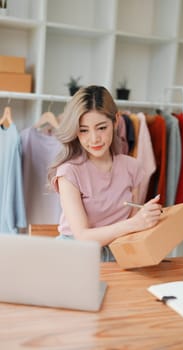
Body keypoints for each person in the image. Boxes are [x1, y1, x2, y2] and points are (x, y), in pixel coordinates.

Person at [48, 85, 162, 261]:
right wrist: (135, 223)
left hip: (120, 255)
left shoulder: (133, 168)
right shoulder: (69, 172)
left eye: (101, 128)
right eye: (84, 130)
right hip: (74, 256)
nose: (94, 139)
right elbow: (82, 236)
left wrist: (147, 217)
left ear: (116, 121)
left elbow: (132, 230)